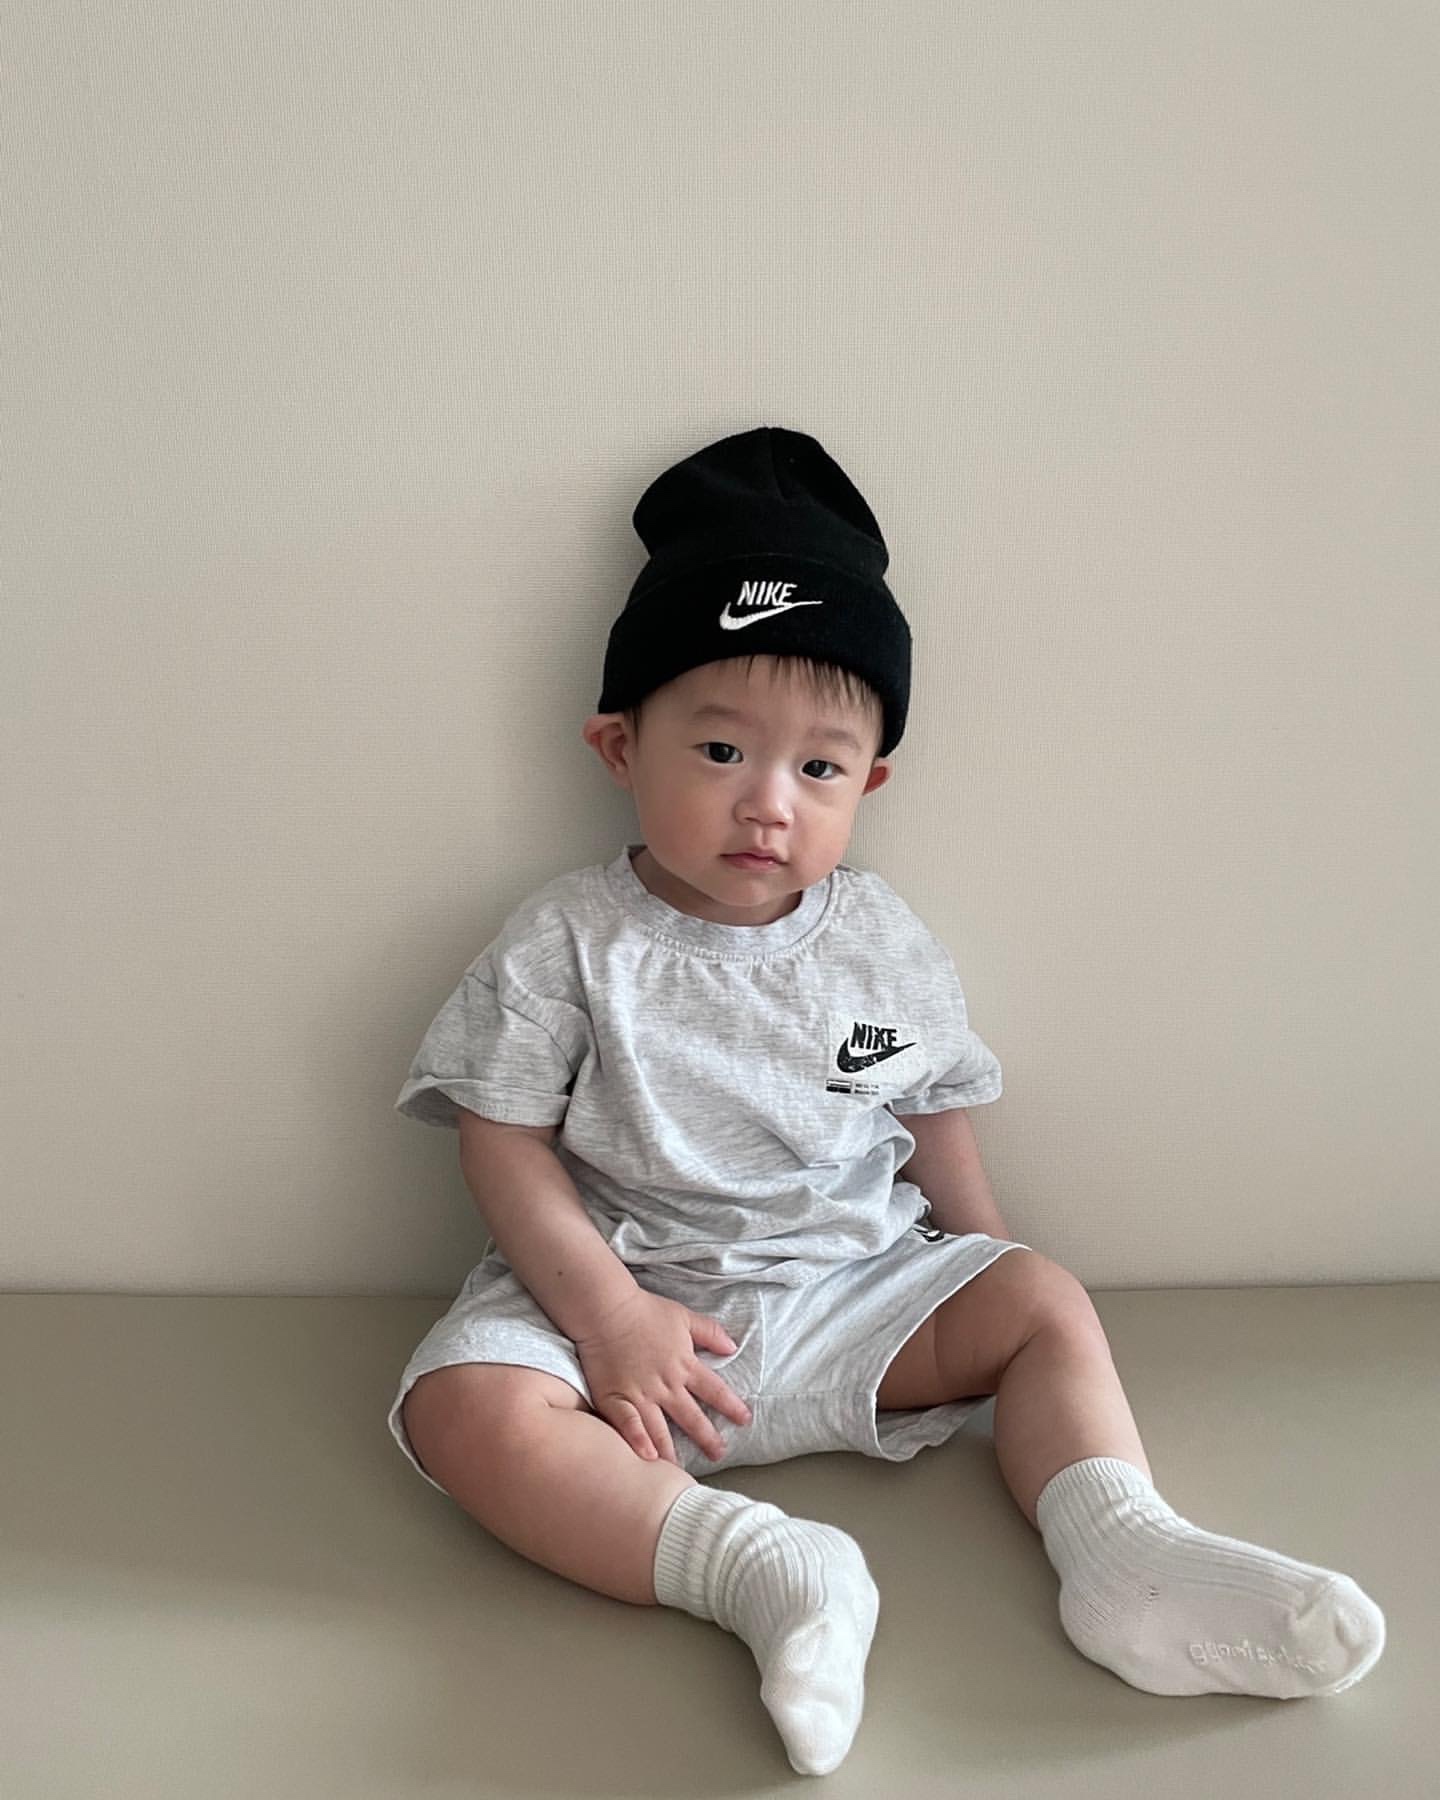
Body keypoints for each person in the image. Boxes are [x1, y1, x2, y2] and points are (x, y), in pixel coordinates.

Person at [387, 427, 1385, 1776]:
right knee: (461, 1411)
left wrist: (984, 1261)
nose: (768, 804)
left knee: (1045, 1301)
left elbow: (931, 1115)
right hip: (624, 1311)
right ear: (620, 745)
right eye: (721, 748)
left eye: (819, 768)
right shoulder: (568, 939)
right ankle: (766, 1571)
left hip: (846, 1289)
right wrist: (608, 1317)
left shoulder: (879, 940)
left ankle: (1126, 1558)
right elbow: (501, 1141)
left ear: (870, 781)